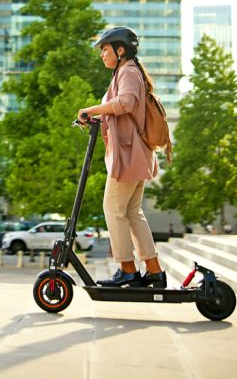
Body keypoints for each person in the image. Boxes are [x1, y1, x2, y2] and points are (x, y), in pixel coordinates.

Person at [78, 27, 165, 288]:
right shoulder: (127, 72)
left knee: (113, 210)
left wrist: (91, 108)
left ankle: (128, 270)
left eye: (105, 49)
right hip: (137, 155)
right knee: (132, 212)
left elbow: (126, 102)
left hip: (128, 157)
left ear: (120, 50)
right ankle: (154, 271)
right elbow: (122, 110)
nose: (102, 55)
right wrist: (97, 117)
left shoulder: (127, 71)